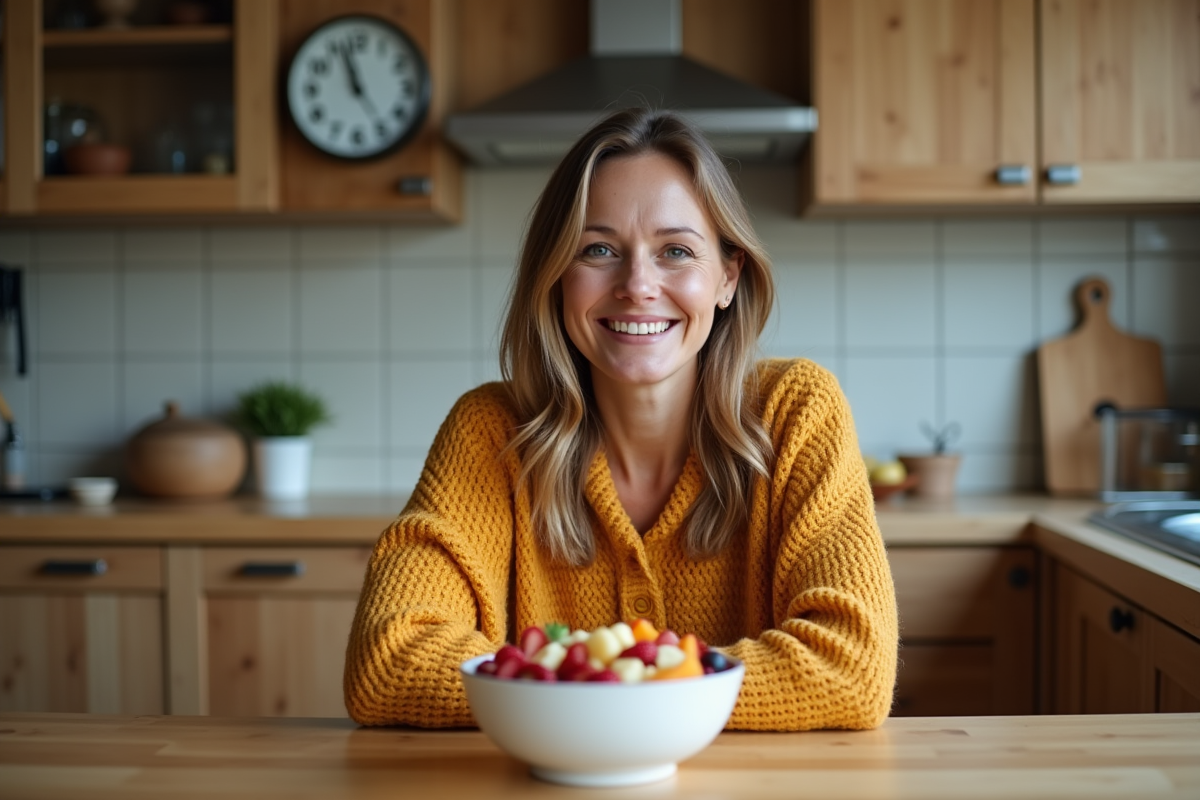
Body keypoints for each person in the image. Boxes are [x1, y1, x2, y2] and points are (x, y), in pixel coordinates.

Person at [344, 108, 898, 731]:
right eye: (598, 249)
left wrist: (577, 689)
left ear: (728, 277)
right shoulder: (489, 431)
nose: (637, 285)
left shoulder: (797, 411)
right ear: (556, 277)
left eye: (676, 251)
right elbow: (388, 658)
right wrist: (642, 692)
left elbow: (852, 667)